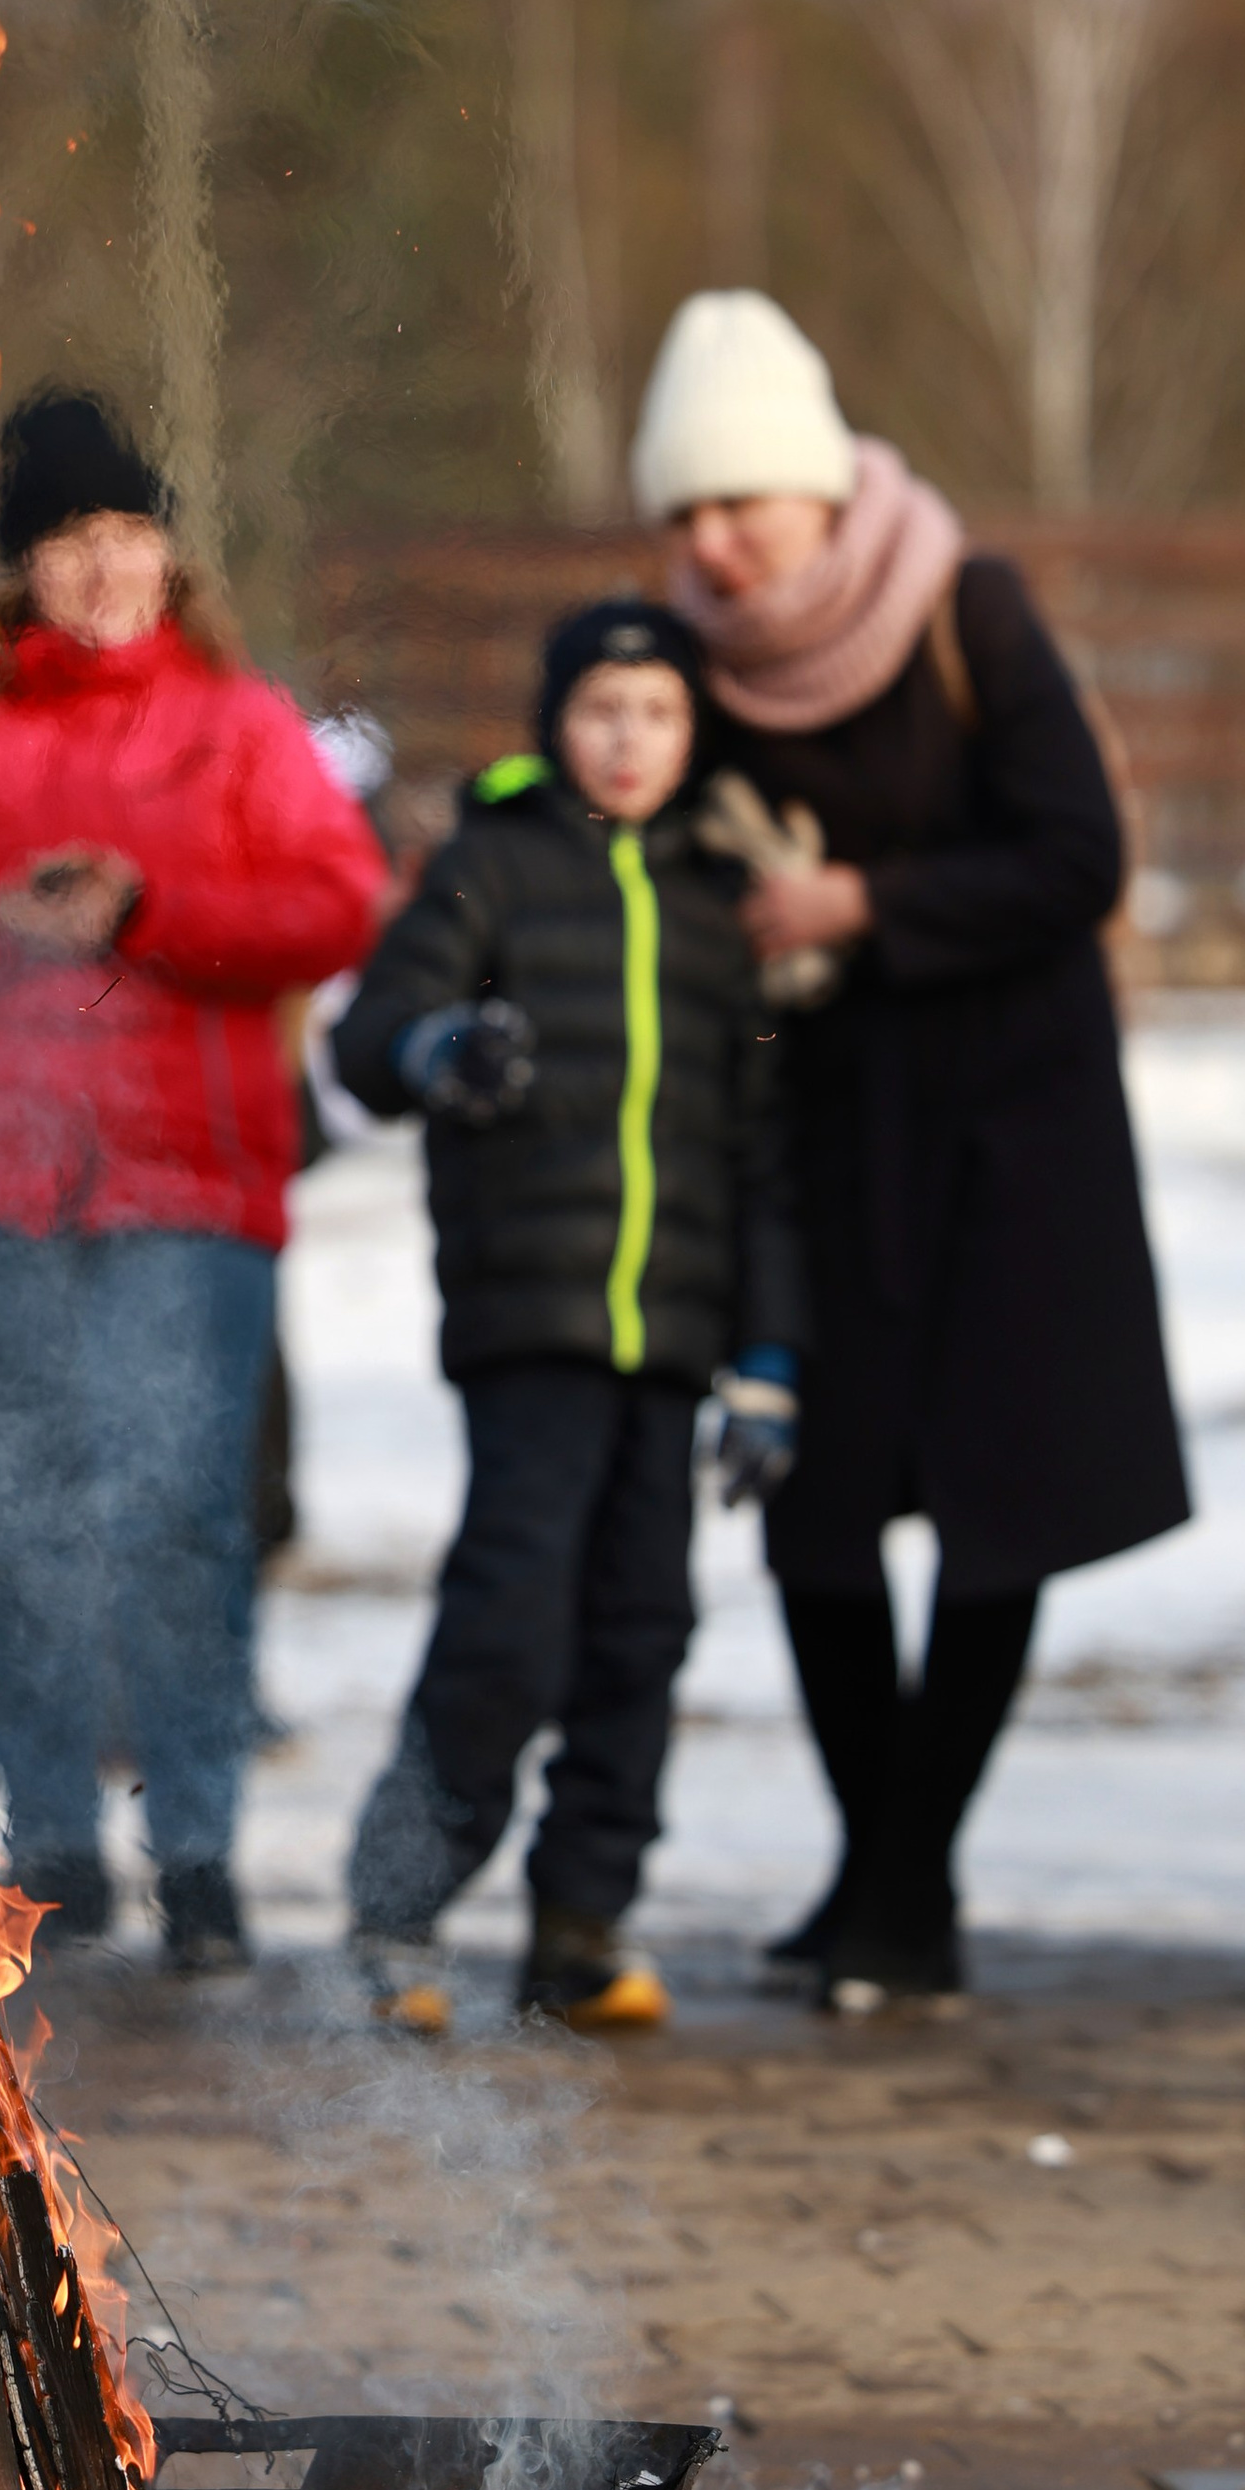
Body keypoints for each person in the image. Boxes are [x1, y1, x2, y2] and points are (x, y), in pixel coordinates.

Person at [632, 291, 1190, 2010]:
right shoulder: (690, 669)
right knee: (818, 1513)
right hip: (822, 1130)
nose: (716, 545)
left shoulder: (966, 607)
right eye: (688, 514)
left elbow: (1077, 856)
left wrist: (861, 901)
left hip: (1015, 1126)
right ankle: (887, 1872)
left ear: (816, 487)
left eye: (743, 505)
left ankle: (900, 1879)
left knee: (999, 1503)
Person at [0, 389, 387, 1971]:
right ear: (25, 566)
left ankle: (199, 1854)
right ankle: (56, 1844)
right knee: (19, 1515)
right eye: (70, 540)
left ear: (166, 552)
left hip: (188, 1194)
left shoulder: (237, 726)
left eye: (126, 534)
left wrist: (145, 905)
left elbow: (335, 911)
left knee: (187, 1516)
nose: (102, 567)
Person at [334, 594, 807, 2038]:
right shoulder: (491, 866)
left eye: (659, 714)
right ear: (558, 726)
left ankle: (581, 1921)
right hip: (529, 1324)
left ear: (692, 733)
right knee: (511, 1622)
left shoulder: (725, 902)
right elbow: (371, 1036)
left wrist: (771, 1357)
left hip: (671, 1344)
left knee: (641, 1628)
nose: (628, 740)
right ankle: (399, 1904)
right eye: (603, 712)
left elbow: (763, 1152)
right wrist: (440, 1044)